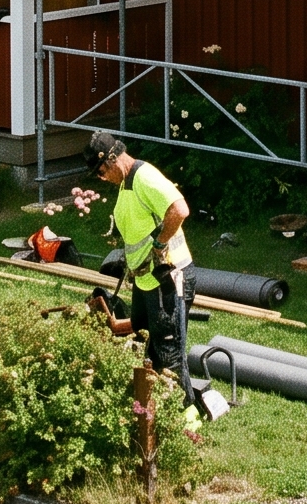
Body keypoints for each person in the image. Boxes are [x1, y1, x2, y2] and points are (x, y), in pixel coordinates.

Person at [84, 132, 221, 423]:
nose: (101, 178)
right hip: (145, 281)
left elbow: (179, 209)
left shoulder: (144, 177)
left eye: (100, 172)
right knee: (146, 341)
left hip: (167, 278)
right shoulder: (126, 183)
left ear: (112, 159)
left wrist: (159, 244)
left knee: (168, 352)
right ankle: (155, 407)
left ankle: (186, 419)